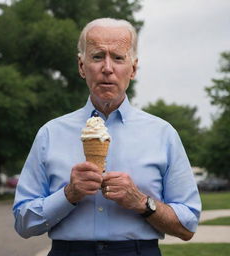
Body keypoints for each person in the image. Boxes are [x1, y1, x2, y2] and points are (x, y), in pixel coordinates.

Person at [13, 18, 201, 256]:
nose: (108, 68)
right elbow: (22, 223)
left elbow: (188, 227)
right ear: (82, 66)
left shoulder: (163, 134)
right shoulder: (50, 133)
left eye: (118, 58)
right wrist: (68, 194)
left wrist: (142, 202)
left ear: (133, 69)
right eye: (98, 56)